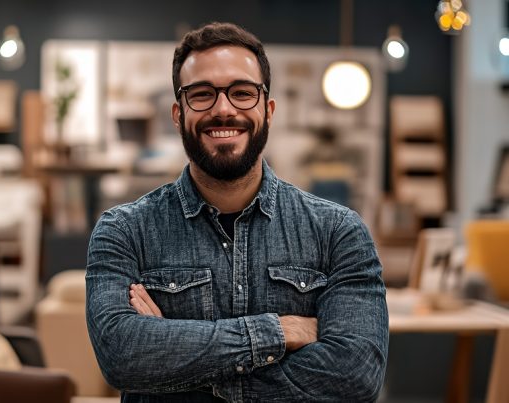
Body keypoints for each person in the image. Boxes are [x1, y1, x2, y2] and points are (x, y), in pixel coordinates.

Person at [86, 22, 388, 402]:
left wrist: (182, 368)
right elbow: (121, 356)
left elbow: (357, 375)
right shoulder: (125, 231)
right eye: (202, 94)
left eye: (242, 92)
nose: (223, 109)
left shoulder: (339, 232)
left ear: (268, 109)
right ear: (178, 114)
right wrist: (280, 332)